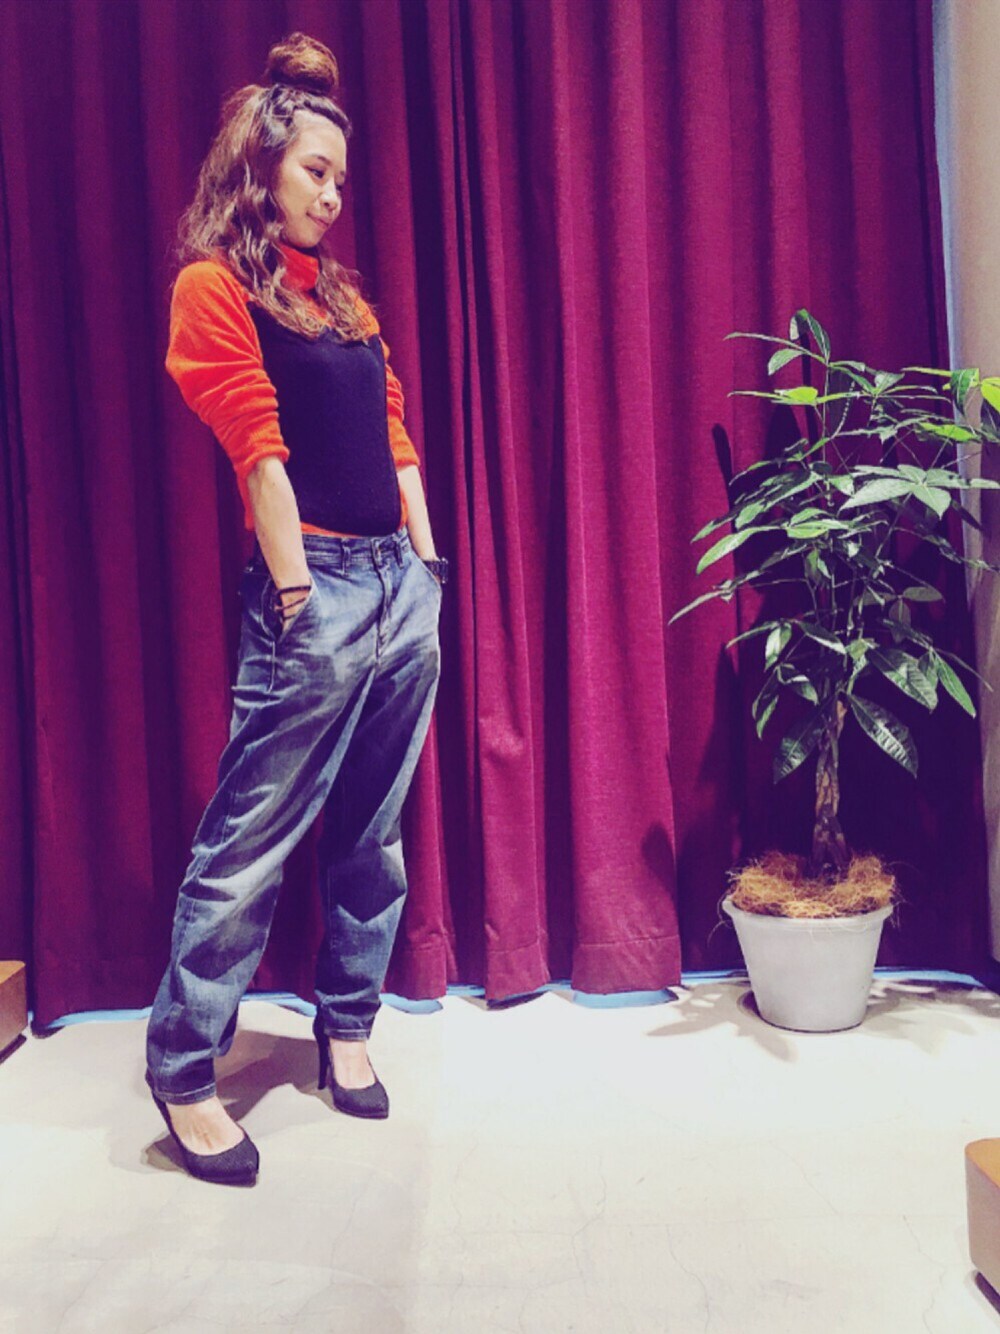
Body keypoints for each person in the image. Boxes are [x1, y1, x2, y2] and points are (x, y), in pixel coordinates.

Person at [144, 32, 446, 1187]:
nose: (331, 193)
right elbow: (256, 450)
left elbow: (395, 435)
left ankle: (348, 1025)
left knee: (373, 828)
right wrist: (296, 591)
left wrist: (426, 568)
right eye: (315, 170)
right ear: (262, 166)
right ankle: (184, 1067)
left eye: (339, 177)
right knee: (248, 842)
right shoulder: (213, 287)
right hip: (313, 589)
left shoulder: (344, 298)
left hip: (398, 587)